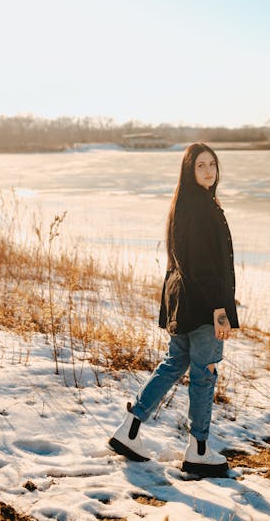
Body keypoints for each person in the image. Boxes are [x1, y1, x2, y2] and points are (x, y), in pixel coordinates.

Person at [108, 142, 239, 477]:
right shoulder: (201, 209)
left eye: (213, 164)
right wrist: (221, 310)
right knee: (204, 372)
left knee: (174, 364)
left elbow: (186, 266)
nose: (209, 171)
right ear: (189, 170)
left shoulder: (185, 204)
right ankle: (198, 450)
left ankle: (130, 429)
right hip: (203, 306)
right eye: (201, 166)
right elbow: (204, 268)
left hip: (185, 302)